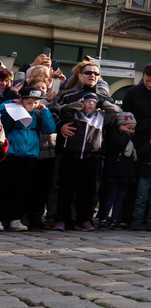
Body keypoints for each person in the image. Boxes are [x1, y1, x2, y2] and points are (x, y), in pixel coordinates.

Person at [53, 90, 119, 231]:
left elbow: (117, 111)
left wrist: (102, 102)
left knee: (88, 192)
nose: (91, 104)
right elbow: (63, 109)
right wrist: (79, 104)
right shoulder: (73, 114)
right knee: (66, 191)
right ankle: (61, 219)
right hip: (70, 157)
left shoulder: (101, 117)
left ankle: (84, 219)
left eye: (94, 102)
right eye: (88, 101)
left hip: (91, 158)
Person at [0, 87, 54, 231]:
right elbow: (1, 114)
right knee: (4, 187)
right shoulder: (12, 110)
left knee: (21, 188)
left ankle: (15, 218)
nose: (33, 105)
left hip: (30, 155)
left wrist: (45, 111)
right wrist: (11, 102)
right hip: (11, 153)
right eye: (29, 102)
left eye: (35, 102)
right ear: (21, 101)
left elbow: (49, 129)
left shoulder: (38, 114)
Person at [98, 112, 138, 229]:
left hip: (126, 172)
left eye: (132, 129)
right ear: (120, 125)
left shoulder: (132, 138)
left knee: (121, 196)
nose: (130, 131)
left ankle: (114, 218)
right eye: (127, 128)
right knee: (111, 195)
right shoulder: (114, 135)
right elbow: (119, 144)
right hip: (114, 171)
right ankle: (104, 217)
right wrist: (125, 134)